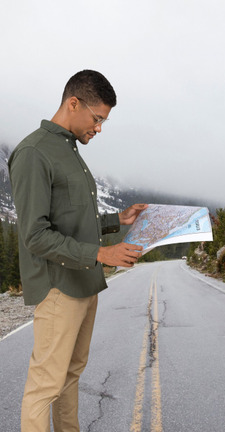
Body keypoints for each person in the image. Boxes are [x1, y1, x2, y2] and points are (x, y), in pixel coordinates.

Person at [8, 69, 147, 432]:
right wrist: (102, 255)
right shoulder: (33, 152)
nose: (99, 128)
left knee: (70, 377)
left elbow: (71, 220)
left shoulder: (68, 149)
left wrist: (119, 218)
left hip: (85, 285)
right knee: (44, 388)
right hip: (58, 288)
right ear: (73, 103)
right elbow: (35, 235)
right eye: (97, 118)